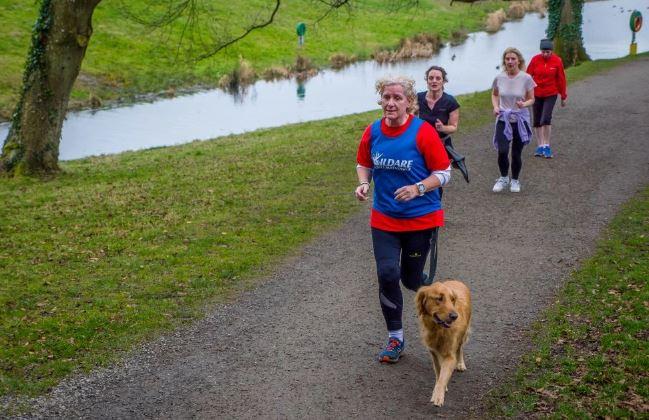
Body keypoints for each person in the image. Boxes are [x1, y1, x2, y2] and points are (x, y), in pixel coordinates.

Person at [354, 75, 451, 363]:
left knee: (412, 280)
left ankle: (440, 304)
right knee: (387, 274)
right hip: (384, 218)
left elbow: (445, 172)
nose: (391, 103)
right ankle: (395, 338)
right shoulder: (372, 131)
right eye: (386, 97)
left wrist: (418, 188)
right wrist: (363, 184)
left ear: (409, 102)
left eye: (398, 98)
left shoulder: (422, 133)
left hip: (420, 219)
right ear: (380, 100)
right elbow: (364, 164)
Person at [491, 47, 536, 193]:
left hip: (520, 119)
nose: (510, 61)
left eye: (513, 59)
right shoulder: (499, 78)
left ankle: (515, 180)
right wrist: (496, 106)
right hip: (503, 118)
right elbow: (495, 94)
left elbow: (532, 99)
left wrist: (524, 104)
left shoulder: (526, 78)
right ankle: (504, 178)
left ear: (518, 61)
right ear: (504, 61)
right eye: (507, 59)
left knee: (516, 153)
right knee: (502, 151)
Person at [417, 65, 468, 183]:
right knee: (421, 173)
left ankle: (435, 199)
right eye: (431, 78)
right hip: (421, 144)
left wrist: (442, 127)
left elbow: (454, 127)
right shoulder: (418, 98)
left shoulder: (450, 101)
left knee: (436, 177)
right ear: (427, 80)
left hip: (441, 144)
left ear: (443, 81)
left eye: (438, 78)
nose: (434, 81)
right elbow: (410, 118)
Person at [526, 38, 567, 159]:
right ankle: (540, 146)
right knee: (537, 120)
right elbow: (528, 76)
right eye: (543, 51)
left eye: (548, 52)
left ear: (551, 51)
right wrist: (526, 93)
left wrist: (563, 96)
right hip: (536, 94)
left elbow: (561, 79)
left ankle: (546, 145)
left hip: (551, 93)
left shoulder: (557, 61)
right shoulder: (535, 60)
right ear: (540, 51)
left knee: (546, 118)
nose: (545, 54)